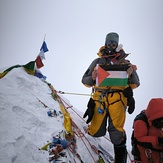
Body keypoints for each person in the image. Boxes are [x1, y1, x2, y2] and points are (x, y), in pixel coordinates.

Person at [81, 32, 140, 163]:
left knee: (117, 133)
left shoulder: (125, 63)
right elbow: (84, 81)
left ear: (117, 44)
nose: (111, 45)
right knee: (95, 129)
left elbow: (136, 83)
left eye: (114, 43)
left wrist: (130, 74)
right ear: (105, 43)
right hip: (99, 99)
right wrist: (92, 77)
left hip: (118, 100)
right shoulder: (97, 62)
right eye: (109, 43)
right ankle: (87, 152)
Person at [132, 98, 163, 163]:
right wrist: (158, 141)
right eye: (159, 121)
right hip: (146, 155)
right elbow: (139, 138)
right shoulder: (140, 122)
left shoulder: (155, 121)